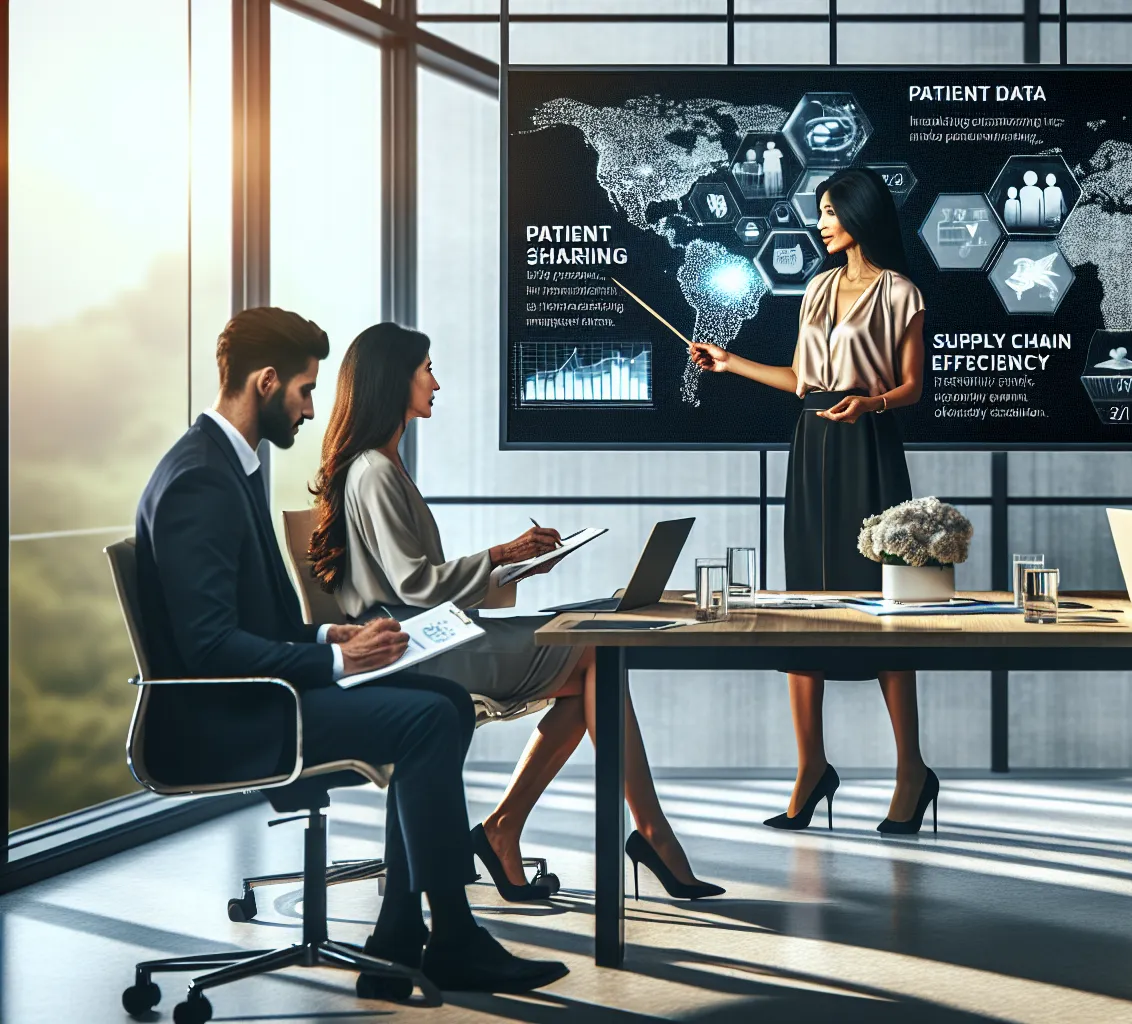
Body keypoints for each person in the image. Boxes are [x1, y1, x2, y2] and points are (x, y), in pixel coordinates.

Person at [134, 307, 566, 998]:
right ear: (266, 382)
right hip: (230, 717)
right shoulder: (200, 480)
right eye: (305, 389)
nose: (312, 408)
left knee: (445, 704)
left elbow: (248, 622)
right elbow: (210, 646)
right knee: (429, 717)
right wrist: (339, 663)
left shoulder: (226, 467)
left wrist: (330, 637)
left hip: (264, 690)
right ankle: (452, 936)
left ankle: (396, 937)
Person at [309, 322, 722, 901]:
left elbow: (422, 583)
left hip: (435, 634)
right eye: (426, 368)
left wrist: (512, 570)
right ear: (391, 380)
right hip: (419, 651)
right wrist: (501, 554)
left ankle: (510, 831)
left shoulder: (383, 464)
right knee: (595, 651)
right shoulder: (374, 471)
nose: (436, 381)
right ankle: (644, 834)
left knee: (593, 653)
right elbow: (415, 584)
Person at [688, 167, 936, 834]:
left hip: (871, 445)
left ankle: (911, 771)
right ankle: (810, 769)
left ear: (859, 214)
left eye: (830, 210)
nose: (821, 221)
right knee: (806, 607)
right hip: (814, 449)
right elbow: (802, 379)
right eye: (820, 210)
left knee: (887, 610)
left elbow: (912, 385)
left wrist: (871, 402)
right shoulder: (819, 288)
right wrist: (729, 362)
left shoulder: (901, 293)